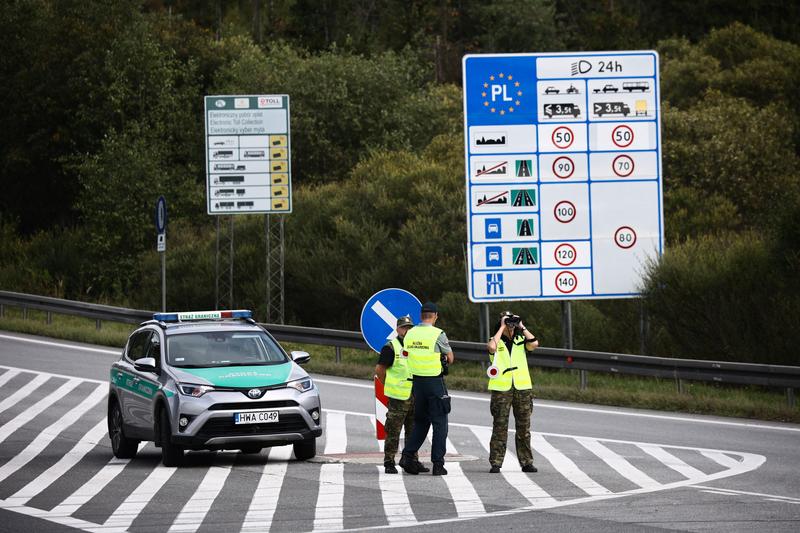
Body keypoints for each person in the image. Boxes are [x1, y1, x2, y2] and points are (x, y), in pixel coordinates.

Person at [398, 301, 454, 476]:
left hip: (417, 384)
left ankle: (407, 456)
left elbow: (407, 354)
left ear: (421, 316)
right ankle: (438, 464)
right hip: (435, 383)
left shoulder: (410, 333)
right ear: (435, 316)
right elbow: (450, 358)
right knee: (440, 424)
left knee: (421, 422)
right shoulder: (438, 334)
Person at [486, 310, 539, 474]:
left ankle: (526, 462)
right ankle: (496, 462)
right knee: (500, 427)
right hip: (502, 389)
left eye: (512, 322)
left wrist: (521, 326)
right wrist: (502, 327)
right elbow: (491, 347)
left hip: (522, 388)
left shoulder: (521, 339)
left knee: (524, 427)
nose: (511, 325)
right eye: (508, 322)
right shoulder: (496, 340)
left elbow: (534, 343)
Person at [374, 315, 428, 474]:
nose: (407, 330)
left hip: (415, 395)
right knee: (393, 431)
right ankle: (389, 462)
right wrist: (388, 384)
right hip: (398, 397)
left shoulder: (416, 346)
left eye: (410, 328)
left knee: (413, 431)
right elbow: (379, 370)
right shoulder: (391, 347)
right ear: (398, 329)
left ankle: (413, 461)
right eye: (404, 328)